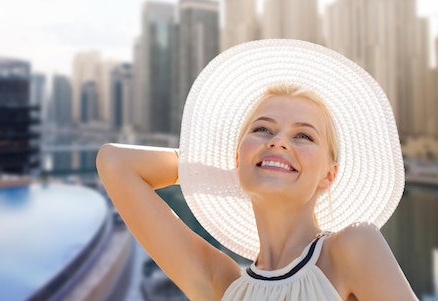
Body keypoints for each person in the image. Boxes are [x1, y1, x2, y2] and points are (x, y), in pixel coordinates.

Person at [96, 39, 417, 300]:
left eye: (303, 135)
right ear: (237, 157)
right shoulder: (222, 285)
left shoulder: (352, 249)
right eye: (263, 130)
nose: (278, 141)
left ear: (329, 175)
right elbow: (115, 162)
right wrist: (227, 168)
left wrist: (258, 162)